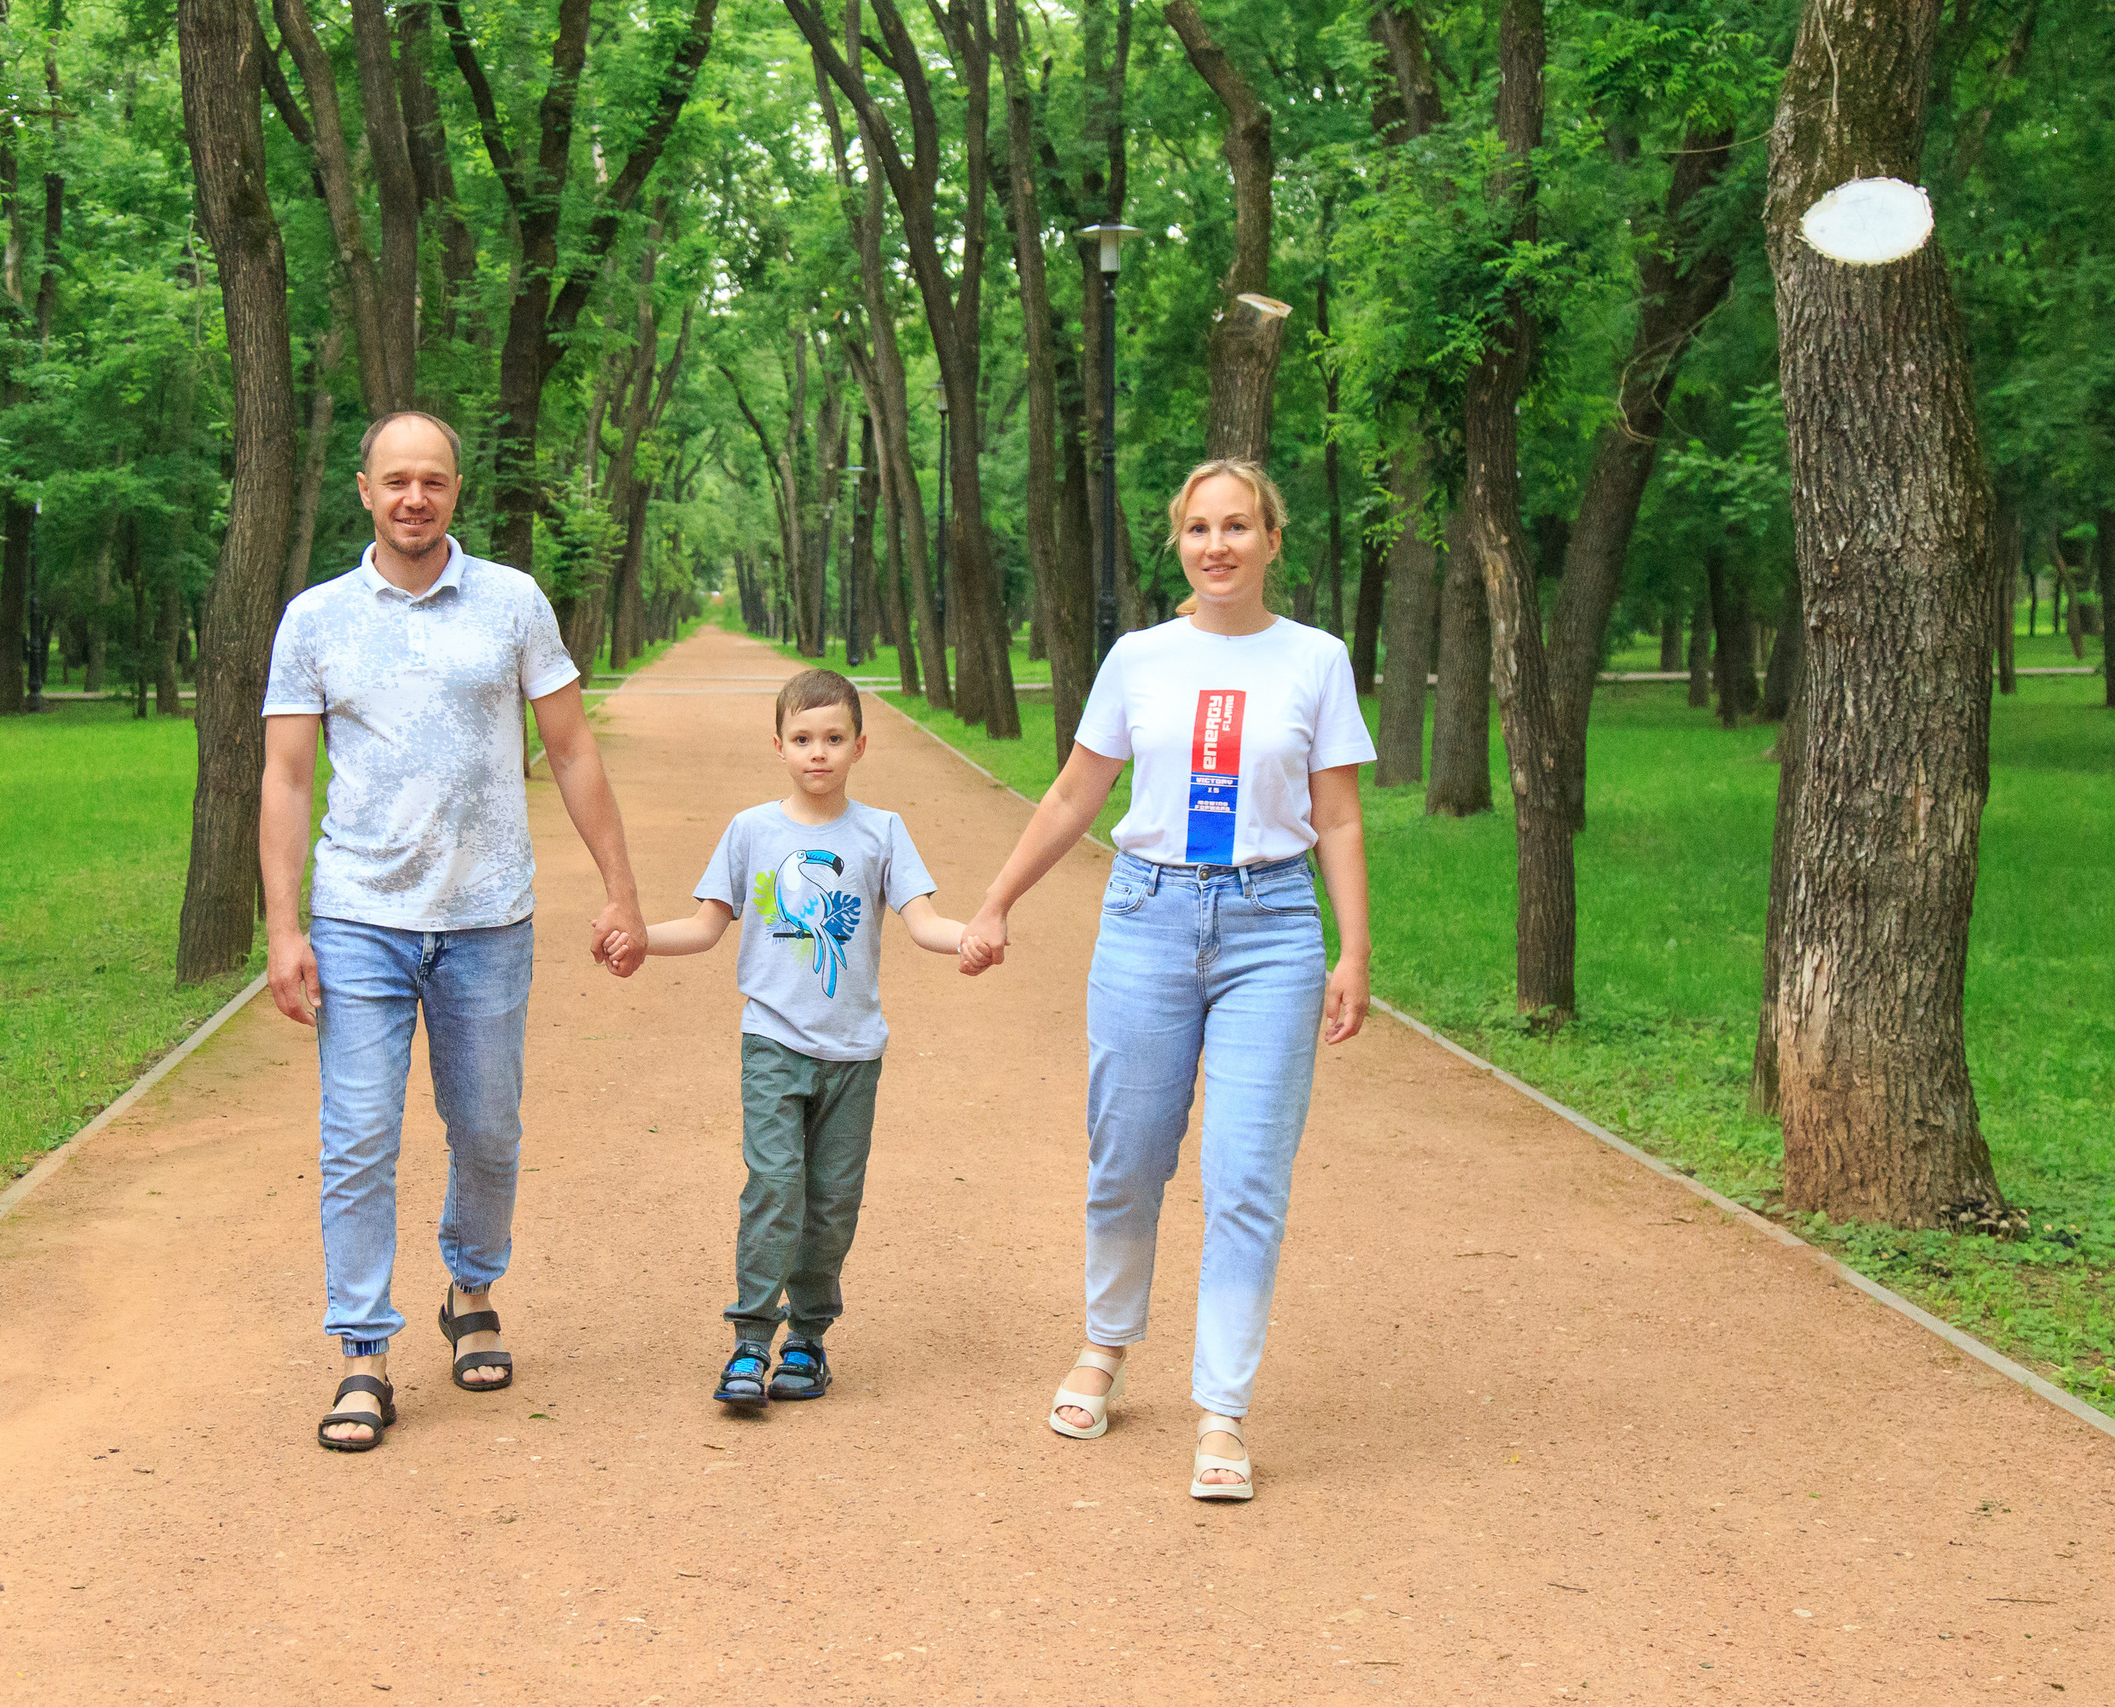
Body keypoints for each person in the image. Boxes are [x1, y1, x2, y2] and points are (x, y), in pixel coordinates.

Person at [960, 457, 1373, 1501]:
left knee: (1247, 1178)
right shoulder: (1139, 657)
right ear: (1178, 542)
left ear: (1271, 539)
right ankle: (1104, 1345)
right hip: (1146, 917)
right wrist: (998, 900)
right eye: (1199, 528)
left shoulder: (1315, 658)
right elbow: (1074, 795)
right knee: (1127, 1156)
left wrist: (1354, 951)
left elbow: (1336, 815)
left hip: (1272, 928)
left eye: (1237, 526)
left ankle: (1222, 1411)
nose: (1217, 545)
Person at [259, 410, 648, 1453]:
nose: (413, 497)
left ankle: (470, 1287)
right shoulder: (315, 619)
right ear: (364, 490)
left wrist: (620, 891)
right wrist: (283, 928)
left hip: (487, 919)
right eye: (395, 480)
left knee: (486, 1129)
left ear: (456, 491)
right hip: (360, 919)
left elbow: (571, 749)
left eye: (432, 479)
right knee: (359, 1134)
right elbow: (286, 776)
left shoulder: (513, 603)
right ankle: (362, 1351)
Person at [619, 668, 976, 1408]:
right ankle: (751, 1339)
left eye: (834, 738)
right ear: (778, 745)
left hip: (853, 1053)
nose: (819, 752)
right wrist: (639, 938)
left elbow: (925, 922)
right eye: (804, 738)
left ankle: (808, 1338)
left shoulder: (882, 832)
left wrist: (971, 936)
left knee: (833, 1199)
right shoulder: (752, 831)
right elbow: (705, 926)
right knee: (775, 1186)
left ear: (859, 746)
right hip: (772, 1043)